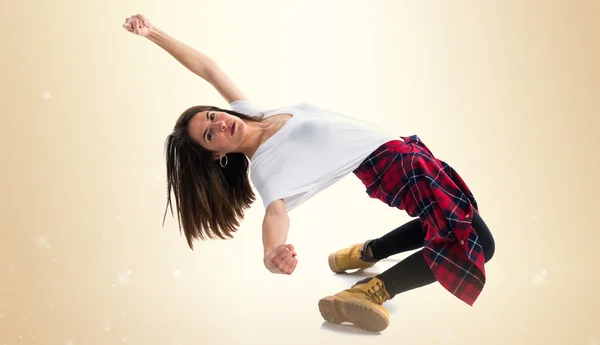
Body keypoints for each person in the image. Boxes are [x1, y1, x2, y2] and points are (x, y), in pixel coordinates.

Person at [122, 14, 496, 332]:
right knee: (476, 241)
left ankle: (363, 253)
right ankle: (374, 289)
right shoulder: (265, 168)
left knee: (447, 223)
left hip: (405, 151)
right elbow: (275, 212)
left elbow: (207, 68)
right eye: (209, 135)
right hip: (393, 166)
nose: (220, 125)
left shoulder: (254, 111)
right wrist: (272, 252)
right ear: (217, 154)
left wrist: (152, 33)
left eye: (213, 116)